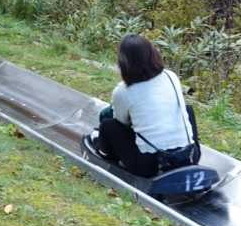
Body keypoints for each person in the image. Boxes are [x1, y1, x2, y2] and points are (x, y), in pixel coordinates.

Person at [83, 33, 200, 177]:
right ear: (153, 54)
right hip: (189, 155)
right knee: (186, 109)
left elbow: (121, 122)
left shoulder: (123, 91)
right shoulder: (171, 76)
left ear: (124, 63)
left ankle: (104, 150)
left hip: (150, 165)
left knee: (109, 125)